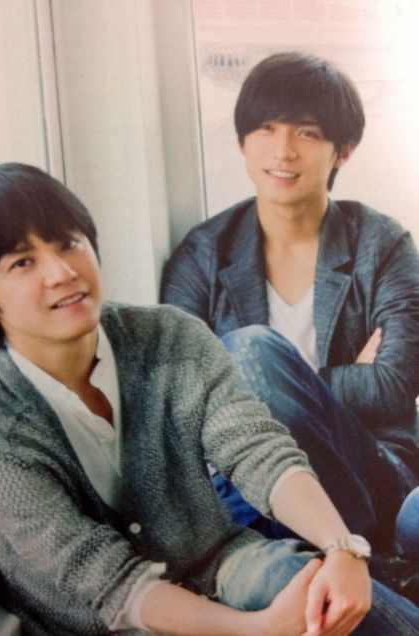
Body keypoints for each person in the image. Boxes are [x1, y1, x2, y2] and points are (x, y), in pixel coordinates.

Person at [0, 163, 419, 635]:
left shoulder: (168, 336)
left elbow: (259, 451)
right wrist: (256, 630)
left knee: (312, 584)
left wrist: (343, 548)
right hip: (106, 624)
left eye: (69, 243)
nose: (62, 272)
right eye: (23, 263)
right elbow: (110, 585)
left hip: (217, 562)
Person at [161, 52, 419, 571]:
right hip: (254, 481)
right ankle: (364, 566)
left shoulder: (382, 245)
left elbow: (395, 383)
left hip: (372, 472)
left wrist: (269, 379)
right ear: (243, 140)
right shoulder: (203, 255)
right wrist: (339, 377)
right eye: (266, 128)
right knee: (252, 356)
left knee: (251, 351)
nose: (282, 150)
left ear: (342, 151)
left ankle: (349, 555)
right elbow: (180, 398)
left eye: (306, 133)